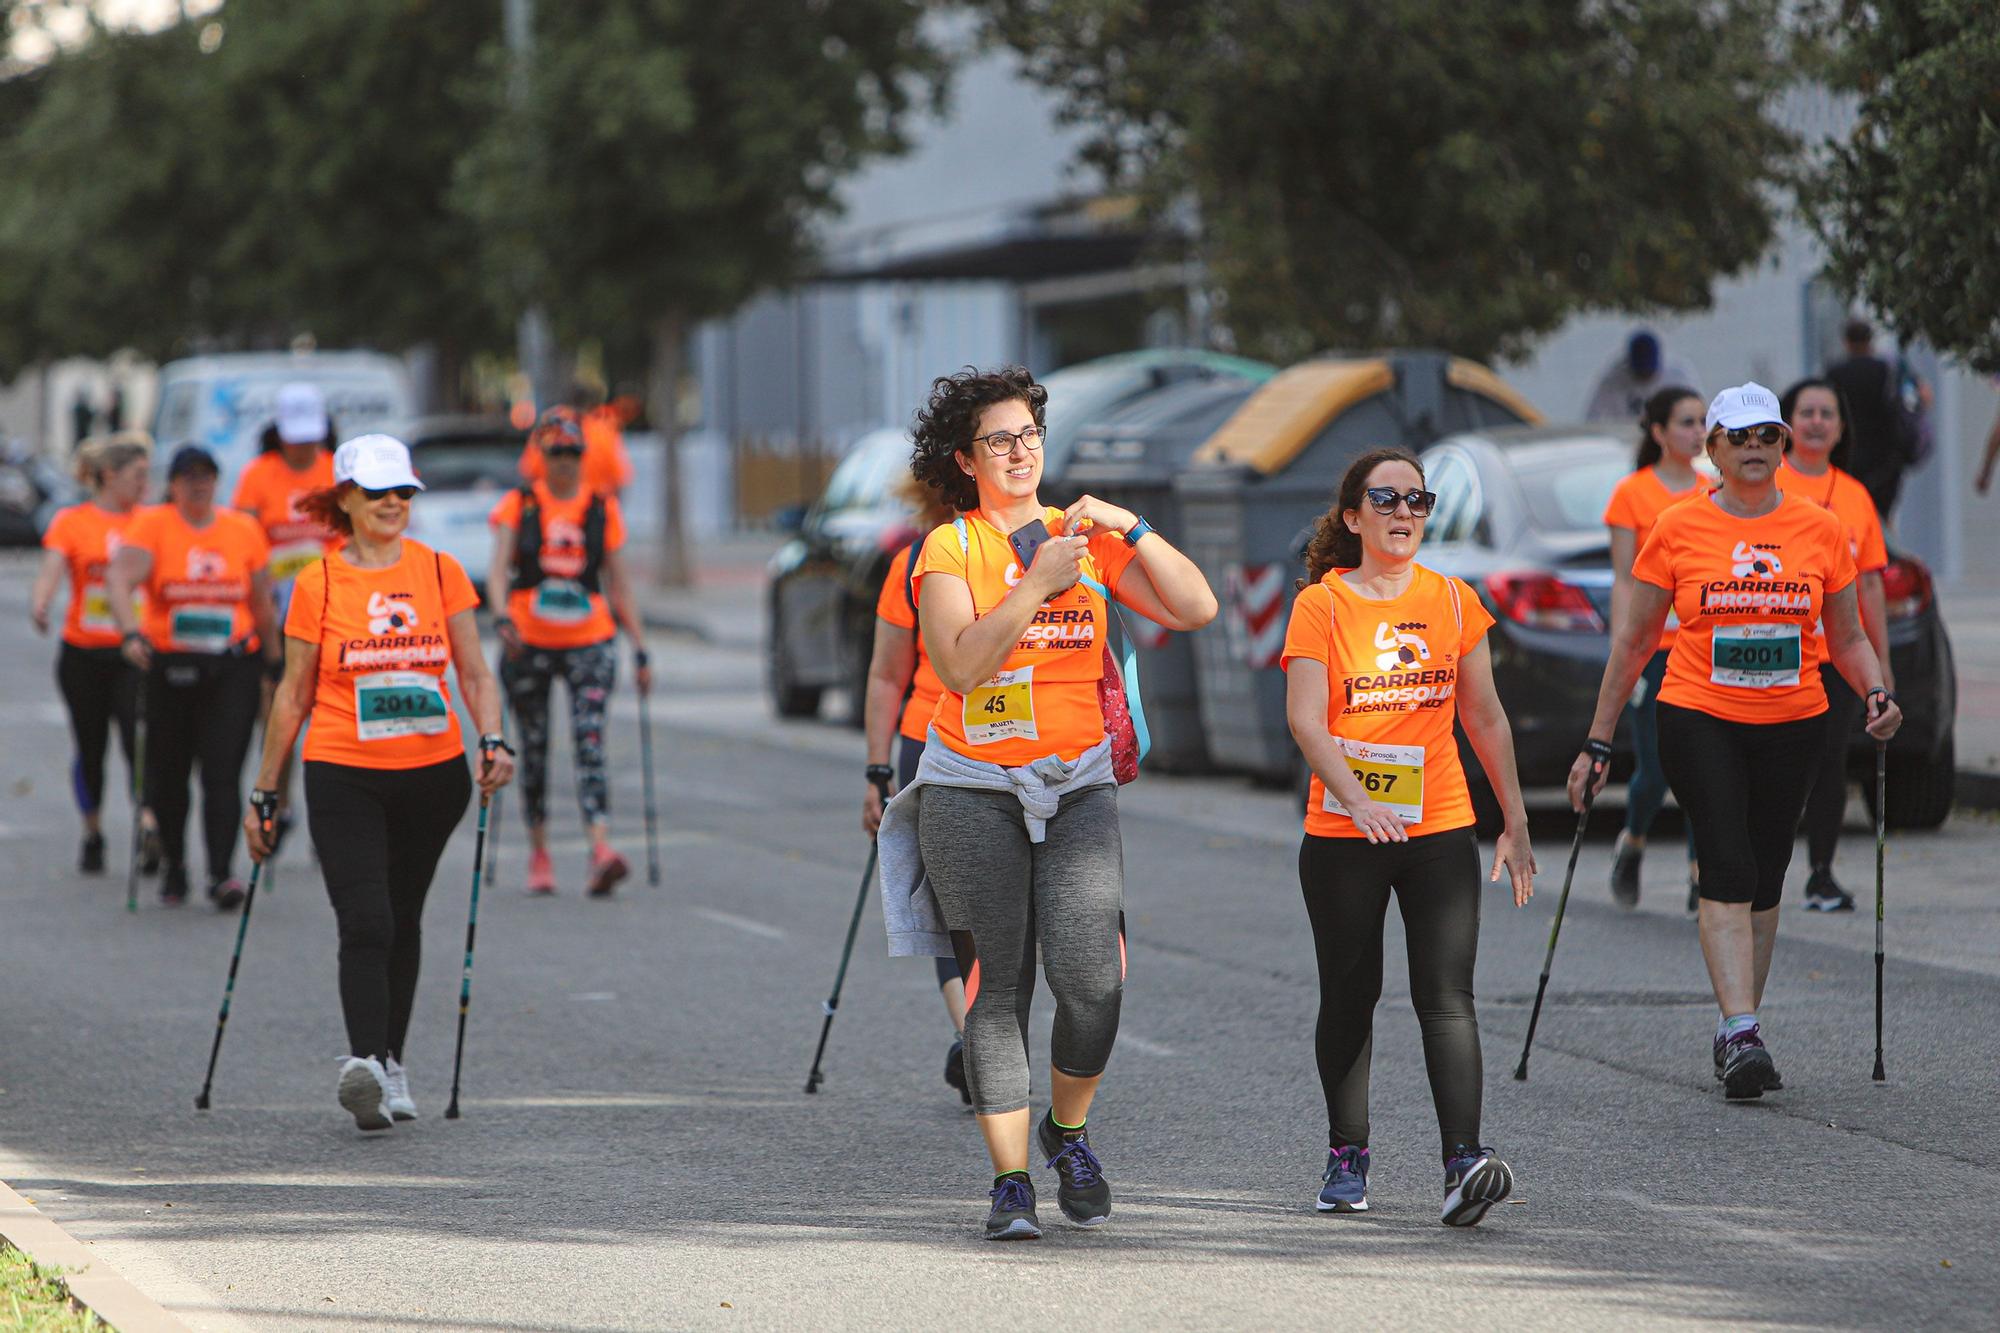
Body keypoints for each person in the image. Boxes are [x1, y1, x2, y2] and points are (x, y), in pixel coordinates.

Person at [875, 366, 1216, 1241]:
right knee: (1001, 985)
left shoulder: (1084, 538)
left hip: (1077, 782)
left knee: (1093, 980)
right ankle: (1011, 1180)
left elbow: (1196, 606)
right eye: (1000, 439)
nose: (1021, 451)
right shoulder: (950, 550)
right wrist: (1032, 583)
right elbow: (954, 666)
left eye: (1030, 434)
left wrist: (1127, 525)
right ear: (966, 458)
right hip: (971, 785)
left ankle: (1068, 1129)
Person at [1569, 383, 1901, 1101]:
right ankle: (1742, 1027)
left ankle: (1737, 1026)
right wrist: (1597, 743)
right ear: (1711, 449)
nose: (1755, 448)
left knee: (1767, 866)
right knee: (1723, 853)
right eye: (1740, 437)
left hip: (1795, 716)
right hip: (1698, 712)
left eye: (1768, 437)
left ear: (1783, 448)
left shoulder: (1818, 528)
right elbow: (1633, 642)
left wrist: (1876, 690)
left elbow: (1845, 636)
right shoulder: (1678, 526)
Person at [1282, 448, 1536, 1226]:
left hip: (1439, 826)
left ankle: (1464, 1161)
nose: (1402, 512)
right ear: (1353, 516)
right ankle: (1347, 1152)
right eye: (1384, 499)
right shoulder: (1322, 606)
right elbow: (1306, 718)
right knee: (1352, 995)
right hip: (1345, 831)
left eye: (1416, 500)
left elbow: (1484, 715)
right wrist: (1357, 800)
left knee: (1447, 996)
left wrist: (1516, 819)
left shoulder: (1455, 601)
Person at [243, 434, 514, 1131]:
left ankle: (392, 1061)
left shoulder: (440, 570)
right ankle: (364, 1065)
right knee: (366, 918)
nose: (394, 502)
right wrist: (266, 791)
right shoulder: (318, 582)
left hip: (432, 777)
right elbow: (293, 694)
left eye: (404, 491)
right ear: (345, 500)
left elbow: (475, 672)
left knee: (403, 915)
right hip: (344, 772)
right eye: (378, 492)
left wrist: (492, 738)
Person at [106, 445, 279, 910]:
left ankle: (222, 873)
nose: (198, 485)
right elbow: (119, 579)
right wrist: (129, 632)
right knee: (170, 773)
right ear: (174, 484)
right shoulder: (153, 525)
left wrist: (275, 657)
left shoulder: (242, 529)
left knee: (223, 772)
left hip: (232, 666)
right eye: (189, 478)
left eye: (207, 476)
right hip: (170, 666)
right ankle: (176, 866)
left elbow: (262, 600)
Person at [488, 407, 651, 897]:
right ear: (540, 455)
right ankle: (539, 851)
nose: (565, 462)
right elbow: (498, 570)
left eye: (573, 452)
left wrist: (640, 648)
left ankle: (600, 849)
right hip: (530, 640)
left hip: (590, 640)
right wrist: (501, 617)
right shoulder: (518, 505)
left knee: (590, 742)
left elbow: (619, 585)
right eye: (556, 452)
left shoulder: (602, 507)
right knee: (532, 749)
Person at [861, 472, 968, 1104]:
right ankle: (980, 1040)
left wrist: (878, 772)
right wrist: (879, 772)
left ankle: (976, 1034)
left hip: (951, 743)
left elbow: (883, 676)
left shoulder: (914, 561)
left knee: (951, 903)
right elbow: (885, 676)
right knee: (952, 900)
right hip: (934, 745)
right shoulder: (915, 564)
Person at [1780, 378, 1893, 912]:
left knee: (1830, 765)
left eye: (1828, 413)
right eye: (1807, 412)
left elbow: (1870, 583)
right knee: (1776, 766)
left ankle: (1821, 873)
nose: (1818, 422)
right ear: (1786, 424)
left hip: (1833, 661)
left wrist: (1880, 670)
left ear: (1841, 427)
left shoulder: (1854, 496)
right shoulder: (1763, 484)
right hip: (1773, 657)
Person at [1601, 387, 1708, 912]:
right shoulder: (1633, 494)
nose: (1697, 432)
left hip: (1702, 647)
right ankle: (1634, 841)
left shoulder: (1713, 491)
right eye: (1686, 422)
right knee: (1656, 770)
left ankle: (1697, 874)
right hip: (1653, 649)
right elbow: (1624, 578)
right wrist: (1626, 649)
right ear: (1659, 432)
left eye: (1702, 422)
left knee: (1702, 764)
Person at [31, 433, 151, 874]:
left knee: (138, 741)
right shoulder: (73, 521)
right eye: (136, 476)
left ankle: (148, 821)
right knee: (91, 745)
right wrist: (40, 602)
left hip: (134, 652)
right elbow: (51, 568)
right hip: (83, 652)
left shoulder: (151, 521)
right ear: (108, 476)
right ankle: (93, 829)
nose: (145, 484)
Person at [233, 382, 339, 848]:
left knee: (329, 711)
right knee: (278, 708)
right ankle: (282, 799)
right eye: (295, 436)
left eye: (311, 436)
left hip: (332, 609)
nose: (303, 446)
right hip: (276, 614)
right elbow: (241, 538)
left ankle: (330, 807)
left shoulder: (337, 470)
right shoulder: (258, 474)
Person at [1825, 318, 1929, 521]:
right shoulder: (1886, 370)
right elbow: (1915, 400)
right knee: (1881, 516)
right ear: (1870, 341)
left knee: (1848, 514)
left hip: (1847, 457)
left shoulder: (1835, 374)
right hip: (1885, 457)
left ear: (1846, 342)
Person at [518, 387, 633, 498]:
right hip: (591, 510)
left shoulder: (547, 429)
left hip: (551, 509)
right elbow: (618, 482)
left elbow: (528, 475)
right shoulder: (605, 433)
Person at [1583, 330, 1701, 424]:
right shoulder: (1613, 378)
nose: (1645, 376)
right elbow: (1593, 416)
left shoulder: (1678, 374)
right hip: (1626, 435)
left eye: (1649, 371)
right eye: (1640, 371)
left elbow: (1698, 411)